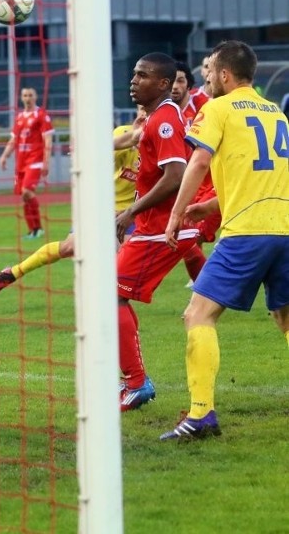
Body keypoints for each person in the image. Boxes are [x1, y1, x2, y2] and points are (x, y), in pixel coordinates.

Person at [161, 40, 289, 440]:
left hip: (247, 233)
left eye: (211, 70)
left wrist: (178, 211)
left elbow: (198, 161)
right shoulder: (278, 115)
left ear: (225, 75)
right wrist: (212, 206)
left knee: (197, 315)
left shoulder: (216, 108)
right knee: (286, 319)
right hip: (284, 229)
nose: (207, 76)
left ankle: (200, 416)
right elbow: (264, 174)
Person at [115, 52, 200, 412]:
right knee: (114, 294)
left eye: (143, 75)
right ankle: (132, 379)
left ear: (163, 84)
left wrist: (131, 211)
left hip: (159, 230)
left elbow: (176, 175)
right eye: (134, 74)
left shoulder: (164, 120)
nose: (134, 80)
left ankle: (135, 382)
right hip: (157, 228)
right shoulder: (153, 119)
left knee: (107, 296)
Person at [0, 107, 145, 293]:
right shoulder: (123, 133)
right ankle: (13, 272)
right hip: (100, 207)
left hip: (133, 213)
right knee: (70, 247)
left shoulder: (162, 137)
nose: (144, 113)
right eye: (141, 108)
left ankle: (113, 307)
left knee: (124, 266)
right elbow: (105, 155)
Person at [171, 60, 220, 285]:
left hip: (214, 183)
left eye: (180, 80)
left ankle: (208, 284)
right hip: (192, 183)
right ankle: (202, 284)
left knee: (196, 233)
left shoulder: (206, 104)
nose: (175, 86)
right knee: (189, 235)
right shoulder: (167, 113)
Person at [0, 87, 54, 239]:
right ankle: (32, 230)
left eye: (30, 95)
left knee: (27, 192)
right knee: (24, 197)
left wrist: (46, 162)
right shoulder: (19, 117)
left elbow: (47, 139)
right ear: (21, 98)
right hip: (21, 162)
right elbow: (13, 140)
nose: (27, 98)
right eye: (25, 95)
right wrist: (4, 156)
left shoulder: (41, 115)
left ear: (35, 97)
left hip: (35, 160)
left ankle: (39, 229)